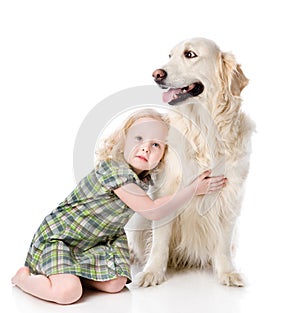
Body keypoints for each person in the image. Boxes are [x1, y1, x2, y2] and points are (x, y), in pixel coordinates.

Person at [11, 109, 227, 305]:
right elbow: (152, 210)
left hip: (94, 242)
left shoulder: (141, 180)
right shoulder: (114, 170)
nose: (145, 147)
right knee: (69, 293)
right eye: (139, 138)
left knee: (116, 284)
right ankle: (24, 280)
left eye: (156, 145)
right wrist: (193, 189)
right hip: (61, 240)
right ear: (123, 142)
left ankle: (72, 271)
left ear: (164, 155)